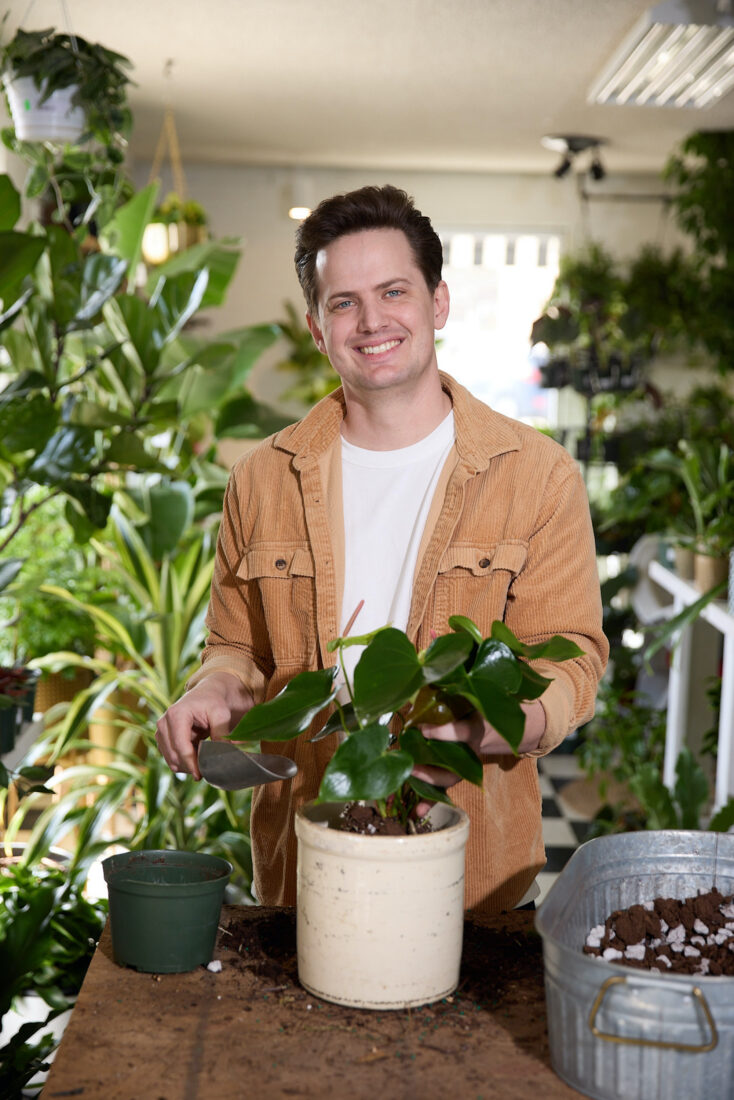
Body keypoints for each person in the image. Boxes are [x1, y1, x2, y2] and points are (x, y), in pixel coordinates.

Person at [156, 184, 608, 914]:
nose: (372, 321)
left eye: (394, 291)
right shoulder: (262, 480)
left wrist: (513, 720)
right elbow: (236, 647)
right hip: (307, 864)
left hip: (472, 874)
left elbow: (569, 654)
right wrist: (214, 689)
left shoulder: (537, 476)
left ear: (438, 303)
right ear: (315, 326)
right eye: (344, 302)